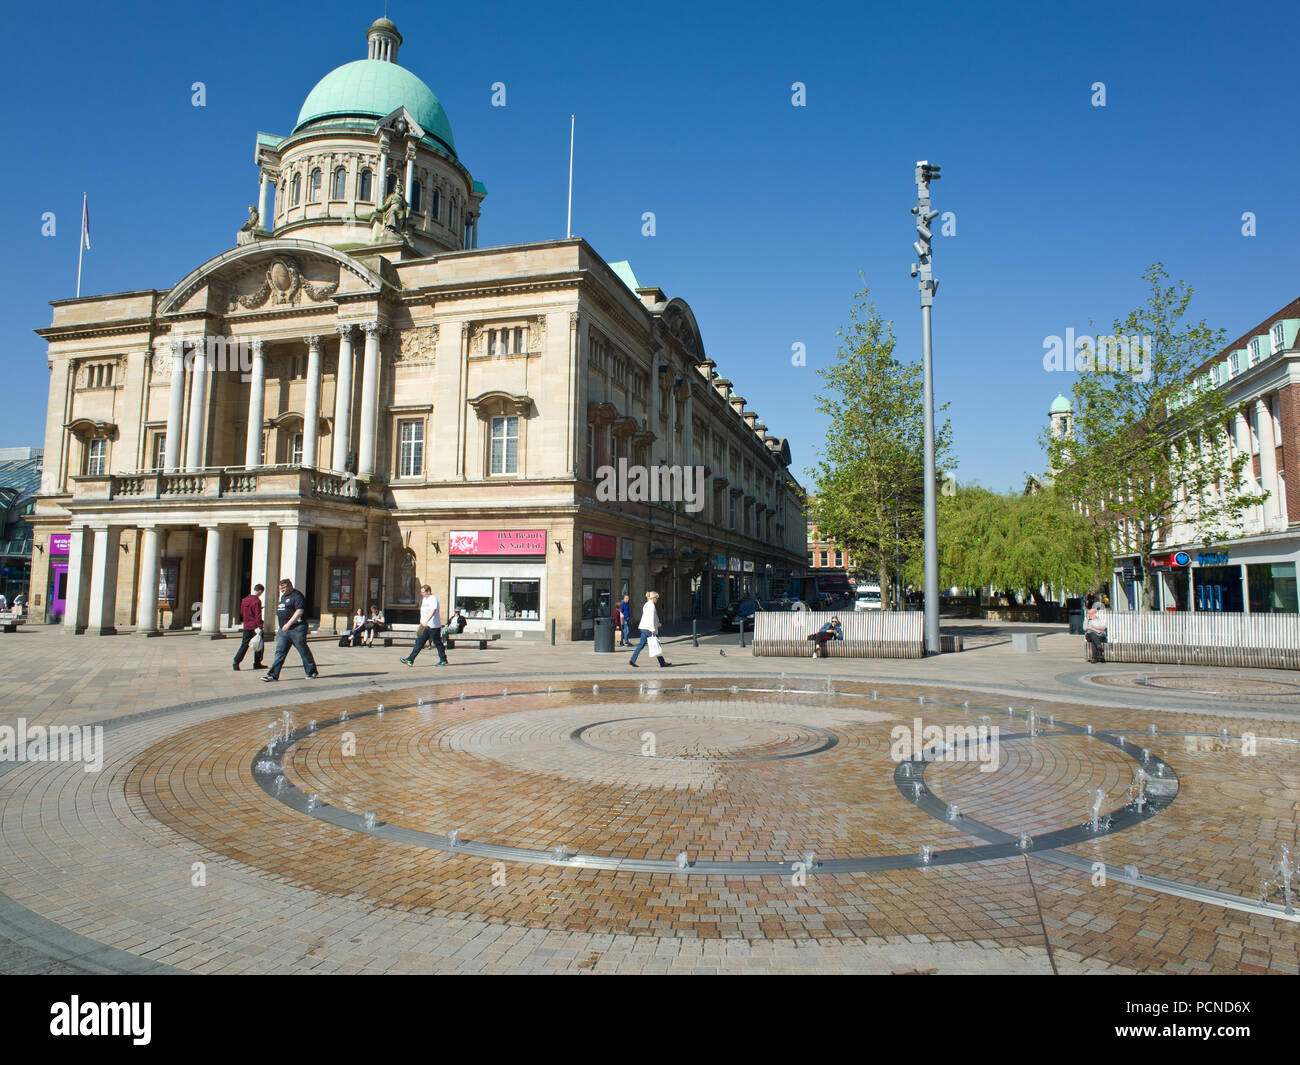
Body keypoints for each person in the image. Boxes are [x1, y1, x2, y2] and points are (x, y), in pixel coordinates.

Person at [263, 578, 319, 681]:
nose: (282, 590)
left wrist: (288, 624)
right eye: (280, 589)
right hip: (283, 630)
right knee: (279, 652)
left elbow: (299, 612)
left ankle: (311, 672)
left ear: (289, 586)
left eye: (283, 588)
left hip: (296, 629)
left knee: (303, 650)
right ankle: (273, 675)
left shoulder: (297, 596)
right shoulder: (284, 596)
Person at [400, 584, 447, 667]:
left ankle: (443, 660)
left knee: (437, 643)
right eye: (421, 592)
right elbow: (423, 611)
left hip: (433, 626)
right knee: (419, 642)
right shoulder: (424, 599)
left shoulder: (433, 598)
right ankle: (410, 659)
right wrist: (422, 622)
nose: (422, 594)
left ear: (428, 591)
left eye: (423, 592)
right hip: (424, 626)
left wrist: (427, 620)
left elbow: (433, 610)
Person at [628, 590, 670, 668]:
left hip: (643, 628)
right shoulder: (651, 606)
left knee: (641, 645)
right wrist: (653, 628)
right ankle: (662, 663)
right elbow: (651, 618)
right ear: (653, 598)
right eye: (656, 598)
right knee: (656, 644)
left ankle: (632, 660)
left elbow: (652, 617)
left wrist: (658, 624)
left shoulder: (646, 604)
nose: (657, 599)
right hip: (649, 629)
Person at [233, 583, 266, 671]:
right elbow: (258, 615)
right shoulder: (257, 601)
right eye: (261, 592)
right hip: (255, 626)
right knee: (259, 644)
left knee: (244, 645)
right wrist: (260, 626)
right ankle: (257, 663)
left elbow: (242, 612)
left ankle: (236, 661)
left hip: (246, 625)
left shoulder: (244, 600)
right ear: (259, 591)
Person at [1084, 593, 1109, 663]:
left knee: (1094, 640)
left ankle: (1095, 658)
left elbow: (1103, 626)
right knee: (1092, 634)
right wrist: (1094, 629)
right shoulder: (1087, 619)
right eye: (1089, 614)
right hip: (1091, 635)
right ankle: (1099, 649)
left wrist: (1091, 627)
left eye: (1091, 614)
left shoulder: (1098, 619)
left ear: (1094, 614)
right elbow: (1085, 628)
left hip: (1100, 635)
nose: (1090, 615)